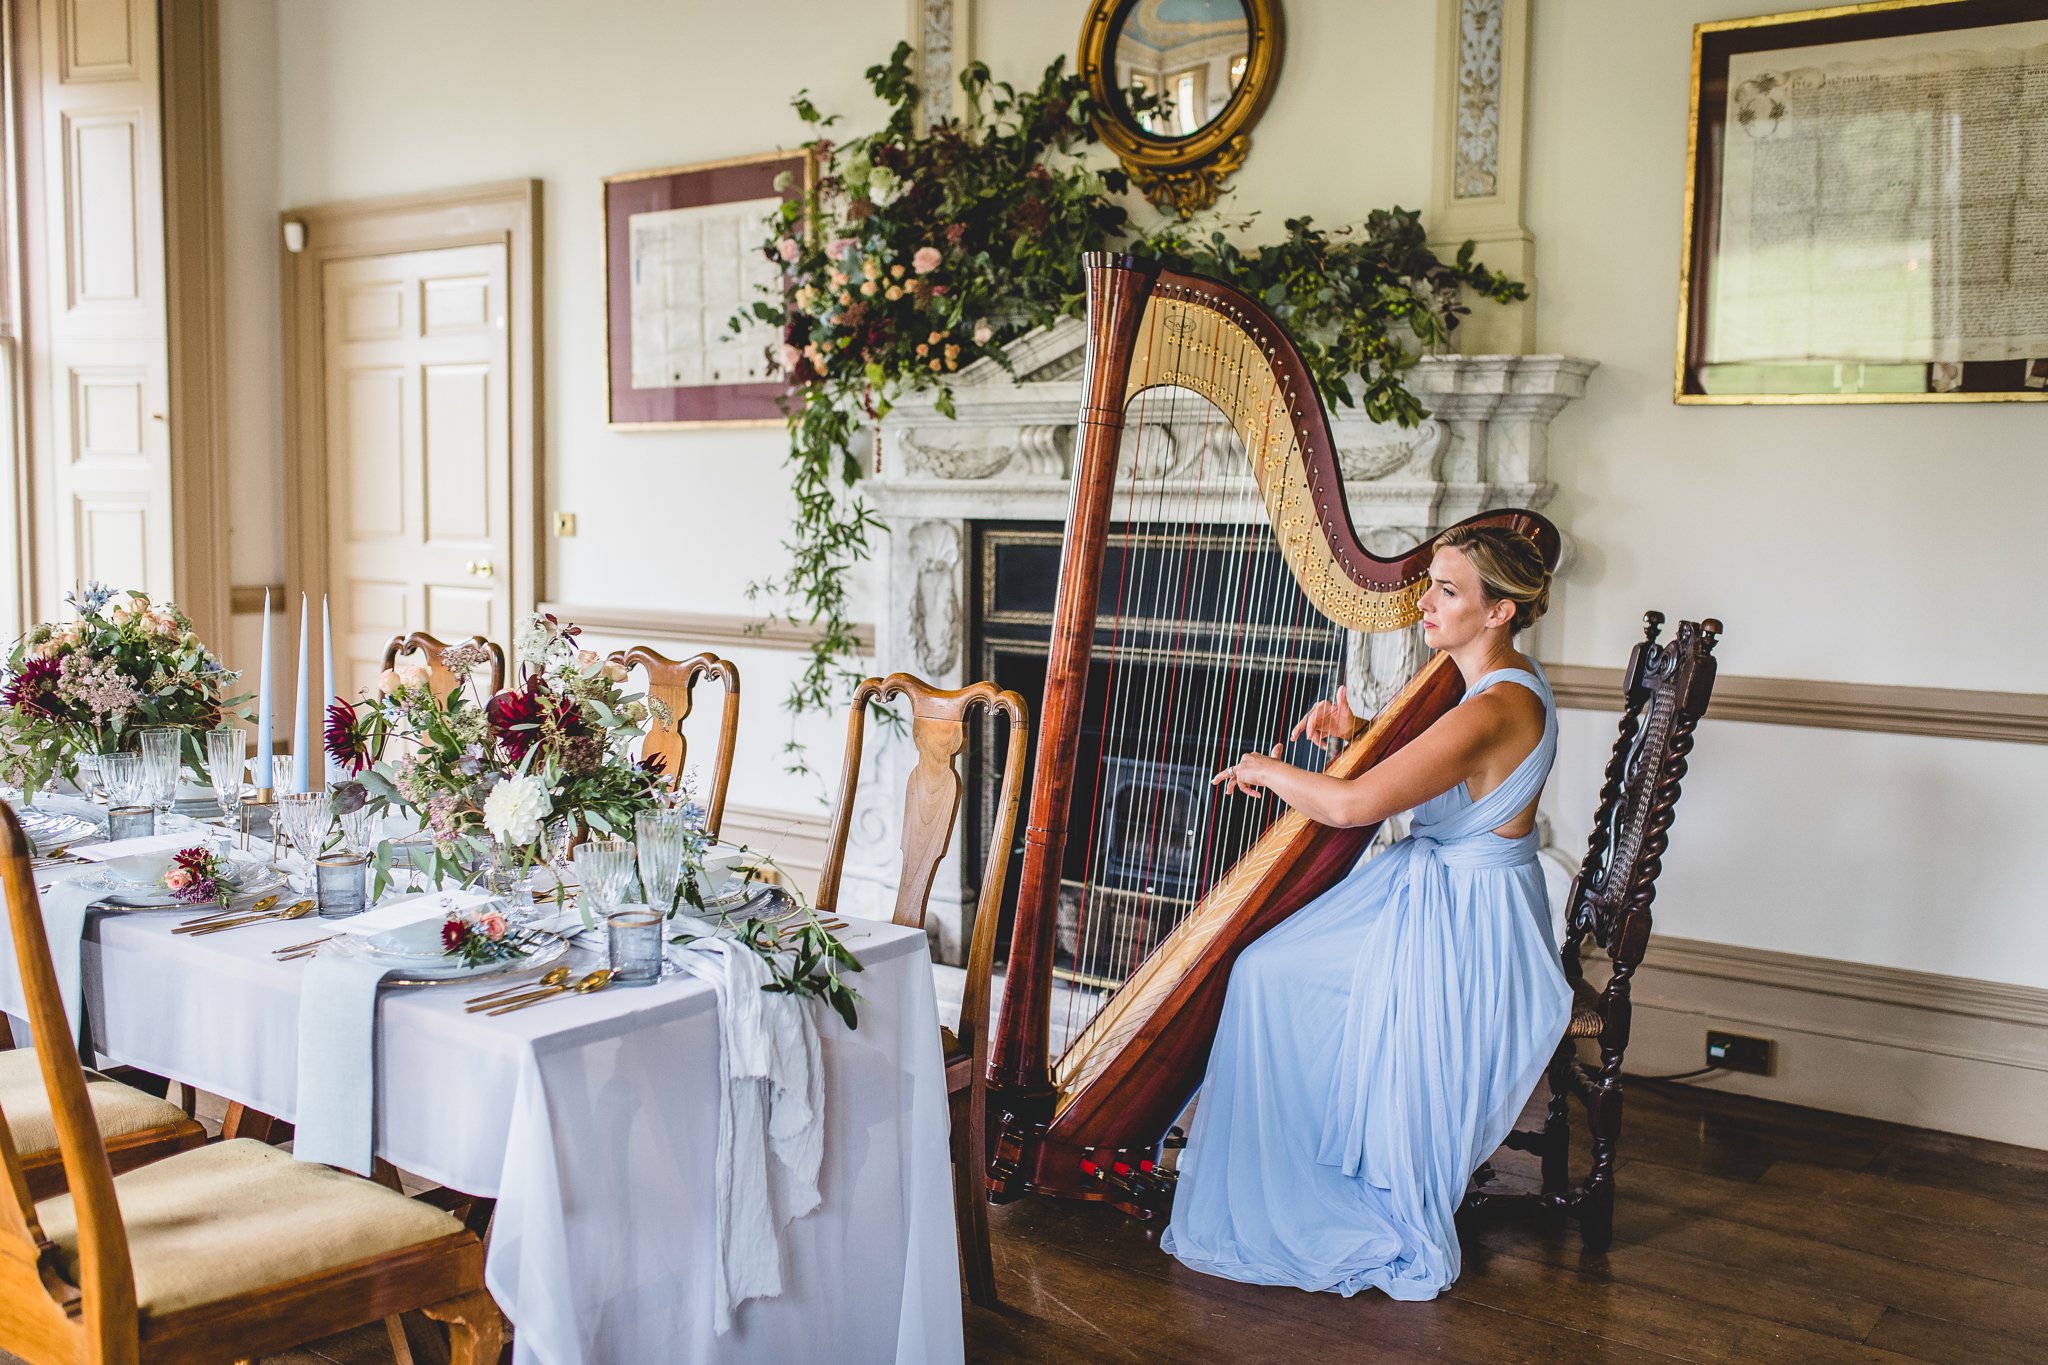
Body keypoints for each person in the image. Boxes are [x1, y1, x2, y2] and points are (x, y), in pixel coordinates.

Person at [1159, 524, 1571, 1301]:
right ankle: (1308, 1154)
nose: (1426, 601)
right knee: (1270, 965)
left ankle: (1311, 1171)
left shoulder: (1496, 704)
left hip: (1470, 927)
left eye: (1448, 590)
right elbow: (1448, 767)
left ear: (1499, 612)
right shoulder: (1491, 680)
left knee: (1262, 971)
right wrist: (1359, 733)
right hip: (1452, 892)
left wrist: (1266, 768)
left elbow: (1349, 806)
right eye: (1430, 584)